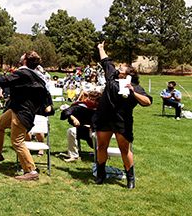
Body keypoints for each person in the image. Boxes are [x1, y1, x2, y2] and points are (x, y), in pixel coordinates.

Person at [0, 51, 53, 181]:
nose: (21, 55)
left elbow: (3, 80)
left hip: (22, 112)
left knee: (17, 142)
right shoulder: (34, 75)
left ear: (25, 60)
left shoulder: (24, 73)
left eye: (24, 54)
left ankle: (31, 171)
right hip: (17, 109)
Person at [92, 41, 152, 189]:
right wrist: (101, 48)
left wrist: (133, 91)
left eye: (123, 66)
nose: (120, 66)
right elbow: (106, 61)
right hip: (105, 118)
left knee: (124, 149)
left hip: (122, 121)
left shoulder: (136, 87)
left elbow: (147, 102)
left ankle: (130, 178)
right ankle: (101, 174)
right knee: (102, 147)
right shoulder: (111, 77)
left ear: (129, 73)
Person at [59, 88, 101, 162]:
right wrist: (73, 117)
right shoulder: (81, 105)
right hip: (81, 130)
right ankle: (74, 156)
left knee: (96, 137)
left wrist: (92, 126)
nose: (92, 101)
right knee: (71, 131)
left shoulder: (101, 109)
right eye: (90, 98)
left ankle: (101, 154)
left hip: (95, 131)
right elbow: (66, 111)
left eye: (95, 99)